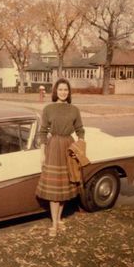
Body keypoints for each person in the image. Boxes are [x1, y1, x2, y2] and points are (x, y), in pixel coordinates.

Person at [36, 78, 85, 237]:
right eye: (60, 89)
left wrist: (80, 146)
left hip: (68, 148)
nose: (63, 92)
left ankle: (58, 219)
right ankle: (55, 224)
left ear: (69, 92)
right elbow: (43, 132)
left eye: (66, 90)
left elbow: (80, 130)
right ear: (55, 91)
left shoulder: (74, 110)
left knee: (64, 186)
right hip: (54, 147)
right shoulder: (48, 109)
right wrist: (43, 153)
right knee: (54, 189)